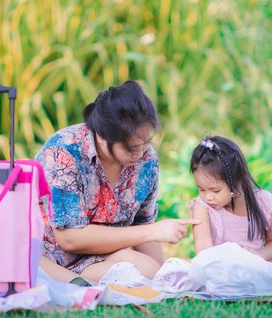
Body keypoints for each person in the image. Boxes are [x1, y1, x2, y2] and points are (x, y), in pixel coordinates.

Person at [36, 80, 199, 284]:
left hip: (101, 258)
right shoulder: (64, 151)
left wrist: (162, 279)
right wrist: (153, 231)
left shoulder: (146, 160)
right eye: (131, 148)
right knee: (137, 272)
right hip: (51, 256)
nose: (140, 154)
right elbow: (69, 238)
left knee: (149, 270)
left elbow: (143, 224)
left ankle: (79, 284)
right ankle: (68, 282)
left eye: (146, 143)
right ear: (103, 136)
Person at [189, 136, 272, 266]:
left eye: (215, 190)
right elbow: (203, 252)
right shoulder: (202, 208)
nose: (207, 197)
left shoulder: (260, 201)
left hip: (261, 270)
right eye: (201, 189)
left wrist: (259, 255)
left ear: (236, 181)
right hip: (224, 272)